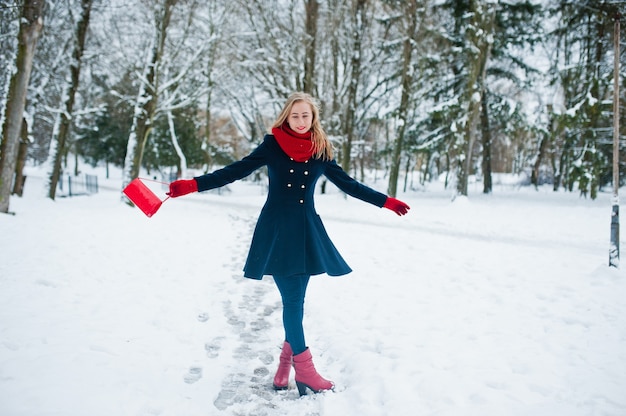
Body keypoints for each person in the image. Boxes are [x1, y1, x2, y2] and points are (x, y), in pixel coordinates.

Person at [167, 92, 410, 396]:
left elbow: (349, 184)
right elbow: (235, 171)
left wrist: (386, 202)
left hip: (307, 231)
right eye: (294, 115)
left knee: (295, 303)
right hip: (277, 231)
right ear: (286, 116)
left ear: (313, 118)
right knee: (293, 303)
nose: (299, 120)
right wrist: (193, 184)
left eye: (305, 115)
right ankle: (305, 372)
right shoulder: (272, 145)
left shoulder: (321, 150)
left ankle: (284, 369)